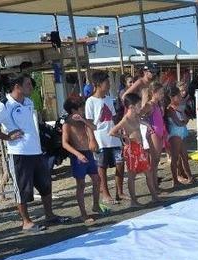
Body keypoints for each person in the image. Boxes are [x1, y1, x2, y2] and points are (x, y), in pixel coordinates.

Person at [0, 74, 67, 233]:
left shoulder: (28, 102)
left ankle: (49, 215)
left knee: (45, 184)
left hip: (36, 151)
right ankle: (26, 221)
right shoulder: (4, 105)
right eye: (28, 84)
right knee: (22, 189)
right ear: (17, 86)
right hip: (19, 153)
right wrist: (6, 137)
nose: (31, 87)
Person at [61, 97, 102, 225]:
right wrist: (77, 154)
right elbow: (65, 143)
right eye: (81, 109)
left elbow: (94, 127)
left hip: (88, 153)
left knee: (97, 179)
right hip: (78, 155)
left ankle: (96, 205)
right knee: (81, 184)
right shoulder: (67, 124)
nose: (83, 110)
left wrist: (83, 120)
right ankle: (83, 213)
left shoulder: (83, 121)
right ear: (74, 110)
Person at [85, 71, 123, 205]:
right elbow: (88, 123)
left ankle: (120, 192)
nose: (109, 85)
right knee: (102, 167)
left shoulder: (108, 99)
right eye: (107, 82)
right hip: (100, 138)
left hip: (113, 136)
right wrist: (92, 140)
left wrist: (119, 130)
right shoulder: (90, 101)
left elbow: (113, 117)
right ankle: (105, 194)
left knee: (120, 163)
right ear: (98, 84)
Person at [110, 93, 152, 206]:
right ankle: (133, 201)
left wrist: (148, 125)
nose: (140, 108)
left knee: (148, 172)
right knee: (132, 176)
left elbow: (140, 122)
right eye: (138, 105)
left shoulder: (136, 116)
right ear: (131, 107)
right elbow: (112, 132)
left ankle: (154, 196)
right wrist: (124, 137)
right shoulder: (125, 120)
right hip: (131, 149)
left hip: (139, 147)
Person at [142, 81, 168, 194]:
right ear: (153, 92)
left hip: (159, 132)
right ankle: (153, 187)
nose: (162, 95)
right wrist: (147, 125)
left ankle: (155, 186)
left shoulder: (157, 104)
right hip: (154, 134)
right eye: (160, 93)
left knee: (156, 161)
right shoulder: (150, 105)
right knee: (153, 161)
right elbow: (138, 116)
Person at [166, 85, 193, 191]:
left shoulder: (179, 108)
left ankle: (190, 176)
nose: (180, 97)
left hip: (181, 132)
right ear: (172, 97)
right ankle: (175, 180)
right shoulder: (170, 109)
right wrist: (184, 119)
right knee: (175, 158)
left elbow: (184, 120)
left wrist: (184, 118)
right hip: (175, 134)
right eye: (178, 96)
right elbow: (179, 122)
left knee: (185, 157)